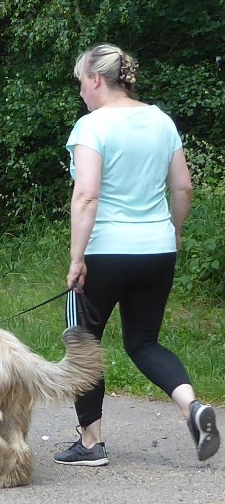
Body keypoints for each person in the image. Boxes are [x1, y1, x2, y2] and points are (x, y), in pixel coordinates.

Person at [53, 44, 220, 466]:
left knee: (83, 341)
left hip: (106, 252)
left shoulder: (92, 126)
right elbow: (183, 187)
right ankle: (192, 407)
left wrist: (76, 259)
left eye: (80, 82)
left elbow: (86, 195)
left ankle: (91, 443)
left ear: (95, 79)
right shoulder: (161, 120)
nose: (80, 92)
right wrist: (173, 232)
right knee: (144, 342)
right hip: (157, 250)